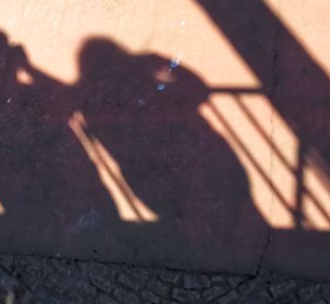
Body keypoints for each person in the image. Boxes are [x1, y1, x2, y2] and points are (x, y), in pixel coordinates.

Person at [74, 37, 266, 246]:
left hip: (159, 182)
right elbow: (199, 89)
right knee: (242, 224)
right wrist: (162, 61)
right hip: (206, 167)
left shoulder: (90, 101)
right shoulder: (150, 92)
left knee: (210, 234)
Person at [0, 27, 117, 233]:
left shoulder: (27, 96)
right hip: (39, 209)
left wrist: (28, 68)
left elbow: (70, 100)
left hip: (79, 201)